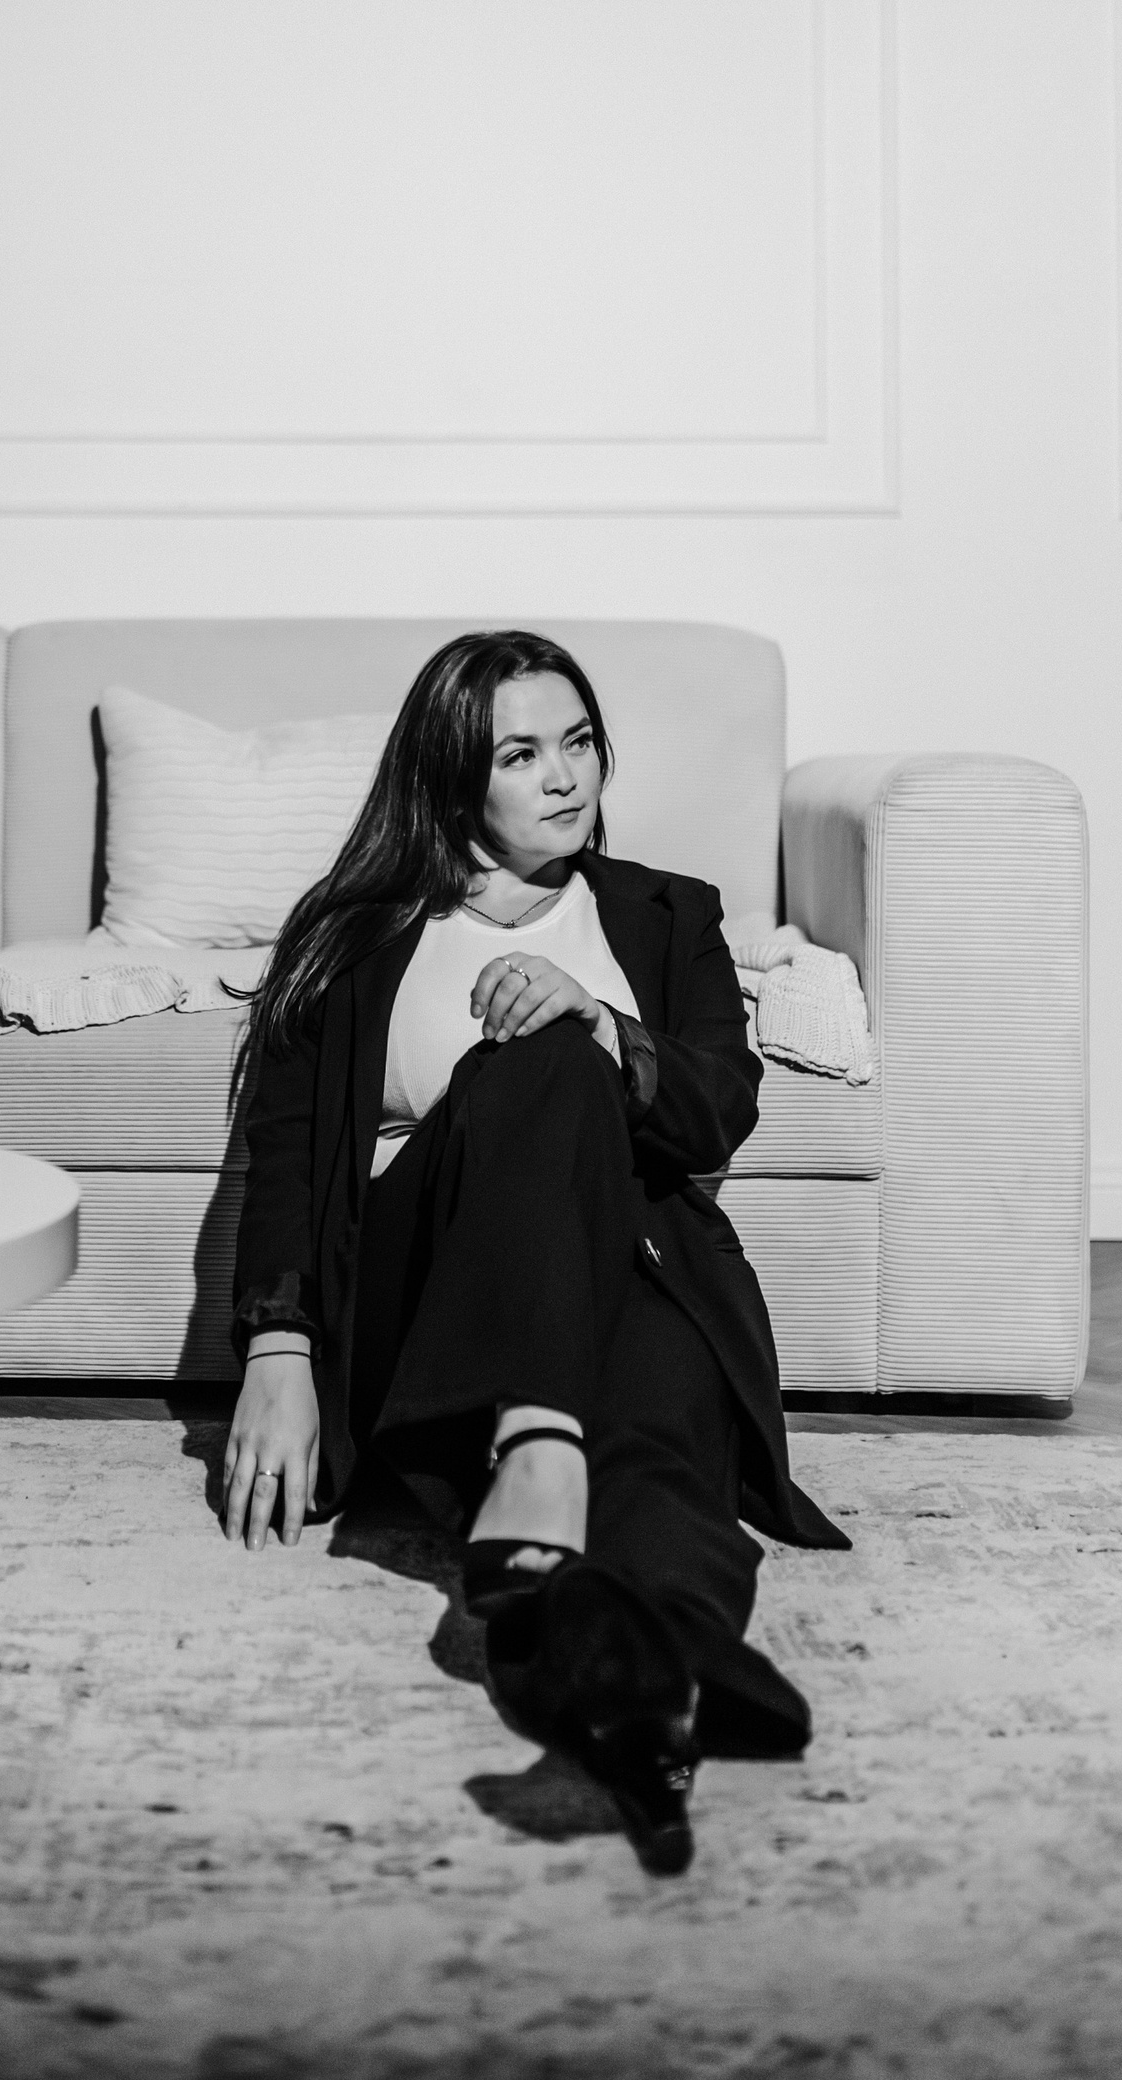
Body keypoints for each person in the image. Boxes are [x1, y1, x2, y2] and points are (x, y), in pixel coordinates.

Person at [221, 629, 849, 1872]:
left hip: (628, 1271)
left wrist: (609, 1026)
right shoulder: (354, 934)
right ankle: (543, 1441)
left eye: (580, 743)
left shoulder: (667, 914)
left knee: (656, 1445)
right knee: (540, 1057)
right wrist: (279, 1347)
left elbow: (718, 1109)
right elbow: (289, 1156)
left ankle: (652, 1693)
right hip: (428, 1293)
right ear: (451, 776)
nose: (565, 777)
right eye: (521, 754)